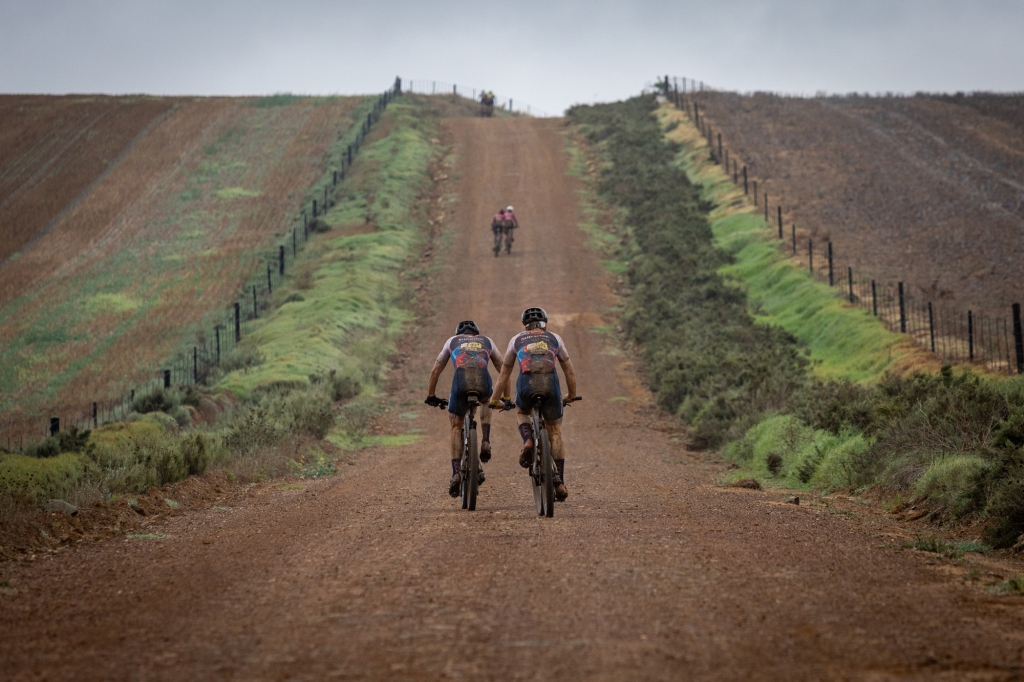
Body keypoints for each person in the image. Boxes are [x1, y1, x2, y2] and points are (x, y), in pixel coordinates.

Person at [491, 307, 577, 501]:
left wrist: (495, 401)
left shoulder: (516, 340)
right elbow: (569, 371)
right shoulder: (555, 339)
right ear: (545, 323)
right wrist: (571, 395)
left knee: (522, 412)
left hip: (527, 387)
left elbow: (504, 374)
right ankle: (560, 482)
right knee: (554, 431)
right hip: (551, 386)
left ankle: (528, 439)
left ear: (525, 325)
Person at [426, 320, 504, 498]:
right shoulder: (486, 341)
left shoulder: (451, 342)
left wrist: (431, 396)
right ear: (476, 334)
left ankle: (456, 473)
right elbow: (502, 367)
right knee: (487, 401)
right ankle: (485, 440)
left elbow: (435, 370)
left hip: (460, 385)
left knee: (456, 425)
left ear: (458, 335)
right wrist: (504, 398)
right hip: (483, 383)